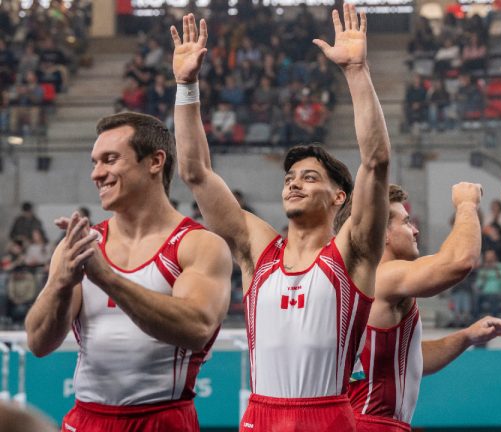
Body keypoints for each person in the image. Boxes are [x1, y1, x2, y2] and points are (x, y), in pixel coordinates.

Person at [170, 5, 390, 430]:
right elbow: (195, 173)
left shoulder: (353, 253)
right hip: (260, 415)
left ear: (339, 197)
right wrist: (186, 85)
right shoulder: (258, 250)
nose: (294, 184)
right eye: (290, 177)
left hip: (327, 415)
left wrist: (356, 71)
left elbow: (377, 162)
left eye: (310, 178)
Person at [24, 112, 232, 431]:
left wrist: (107, 278)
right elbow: (38, 343)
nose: (97, 173)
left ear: (154, 162)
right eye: (94, 162)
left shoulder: (199, 245)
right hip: (86, 419)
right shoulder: (80, 244)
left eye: (110, 160)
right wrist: (61, 286)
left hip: (162, 419)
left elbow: (196, 329)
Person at [344, 183, 501, 431]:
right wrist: (467, 204)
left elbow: (412, 360)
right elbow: (458, 262)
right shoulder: (382, 277)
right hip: (369, 424)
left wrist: (466, 336)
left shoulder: (373, 282)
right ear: (382, 233)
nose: (415, 231)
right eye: (406, 222)